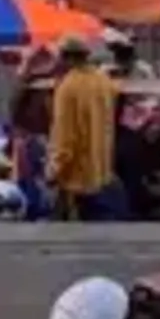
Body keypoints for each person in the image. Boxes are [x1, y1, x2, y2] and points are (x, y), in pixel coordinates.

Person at [46, 41, 126, 223]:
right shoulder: (104, 82)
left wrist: (54, 171)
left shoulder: (68, 87)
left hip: (77, 179)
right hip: (101, 173)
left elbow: (65, 137)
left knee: (77, 239)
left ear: (66, 58)